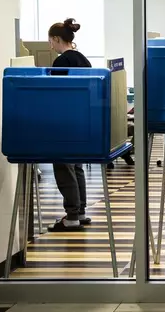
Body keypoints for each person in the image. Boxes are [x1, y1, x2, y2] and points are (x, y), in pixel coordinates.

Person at [47, 18, 91, 232]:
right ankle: (80, 212)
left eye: (50, 41)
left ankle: (71, 216)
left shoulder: (61, 62)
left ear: (56, 39)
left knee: (64, 167)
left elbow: (56, 95)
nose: (50, 46)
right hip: (83, 121)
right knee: (77, 167)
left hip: (65, 120)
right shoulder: (83, 59)